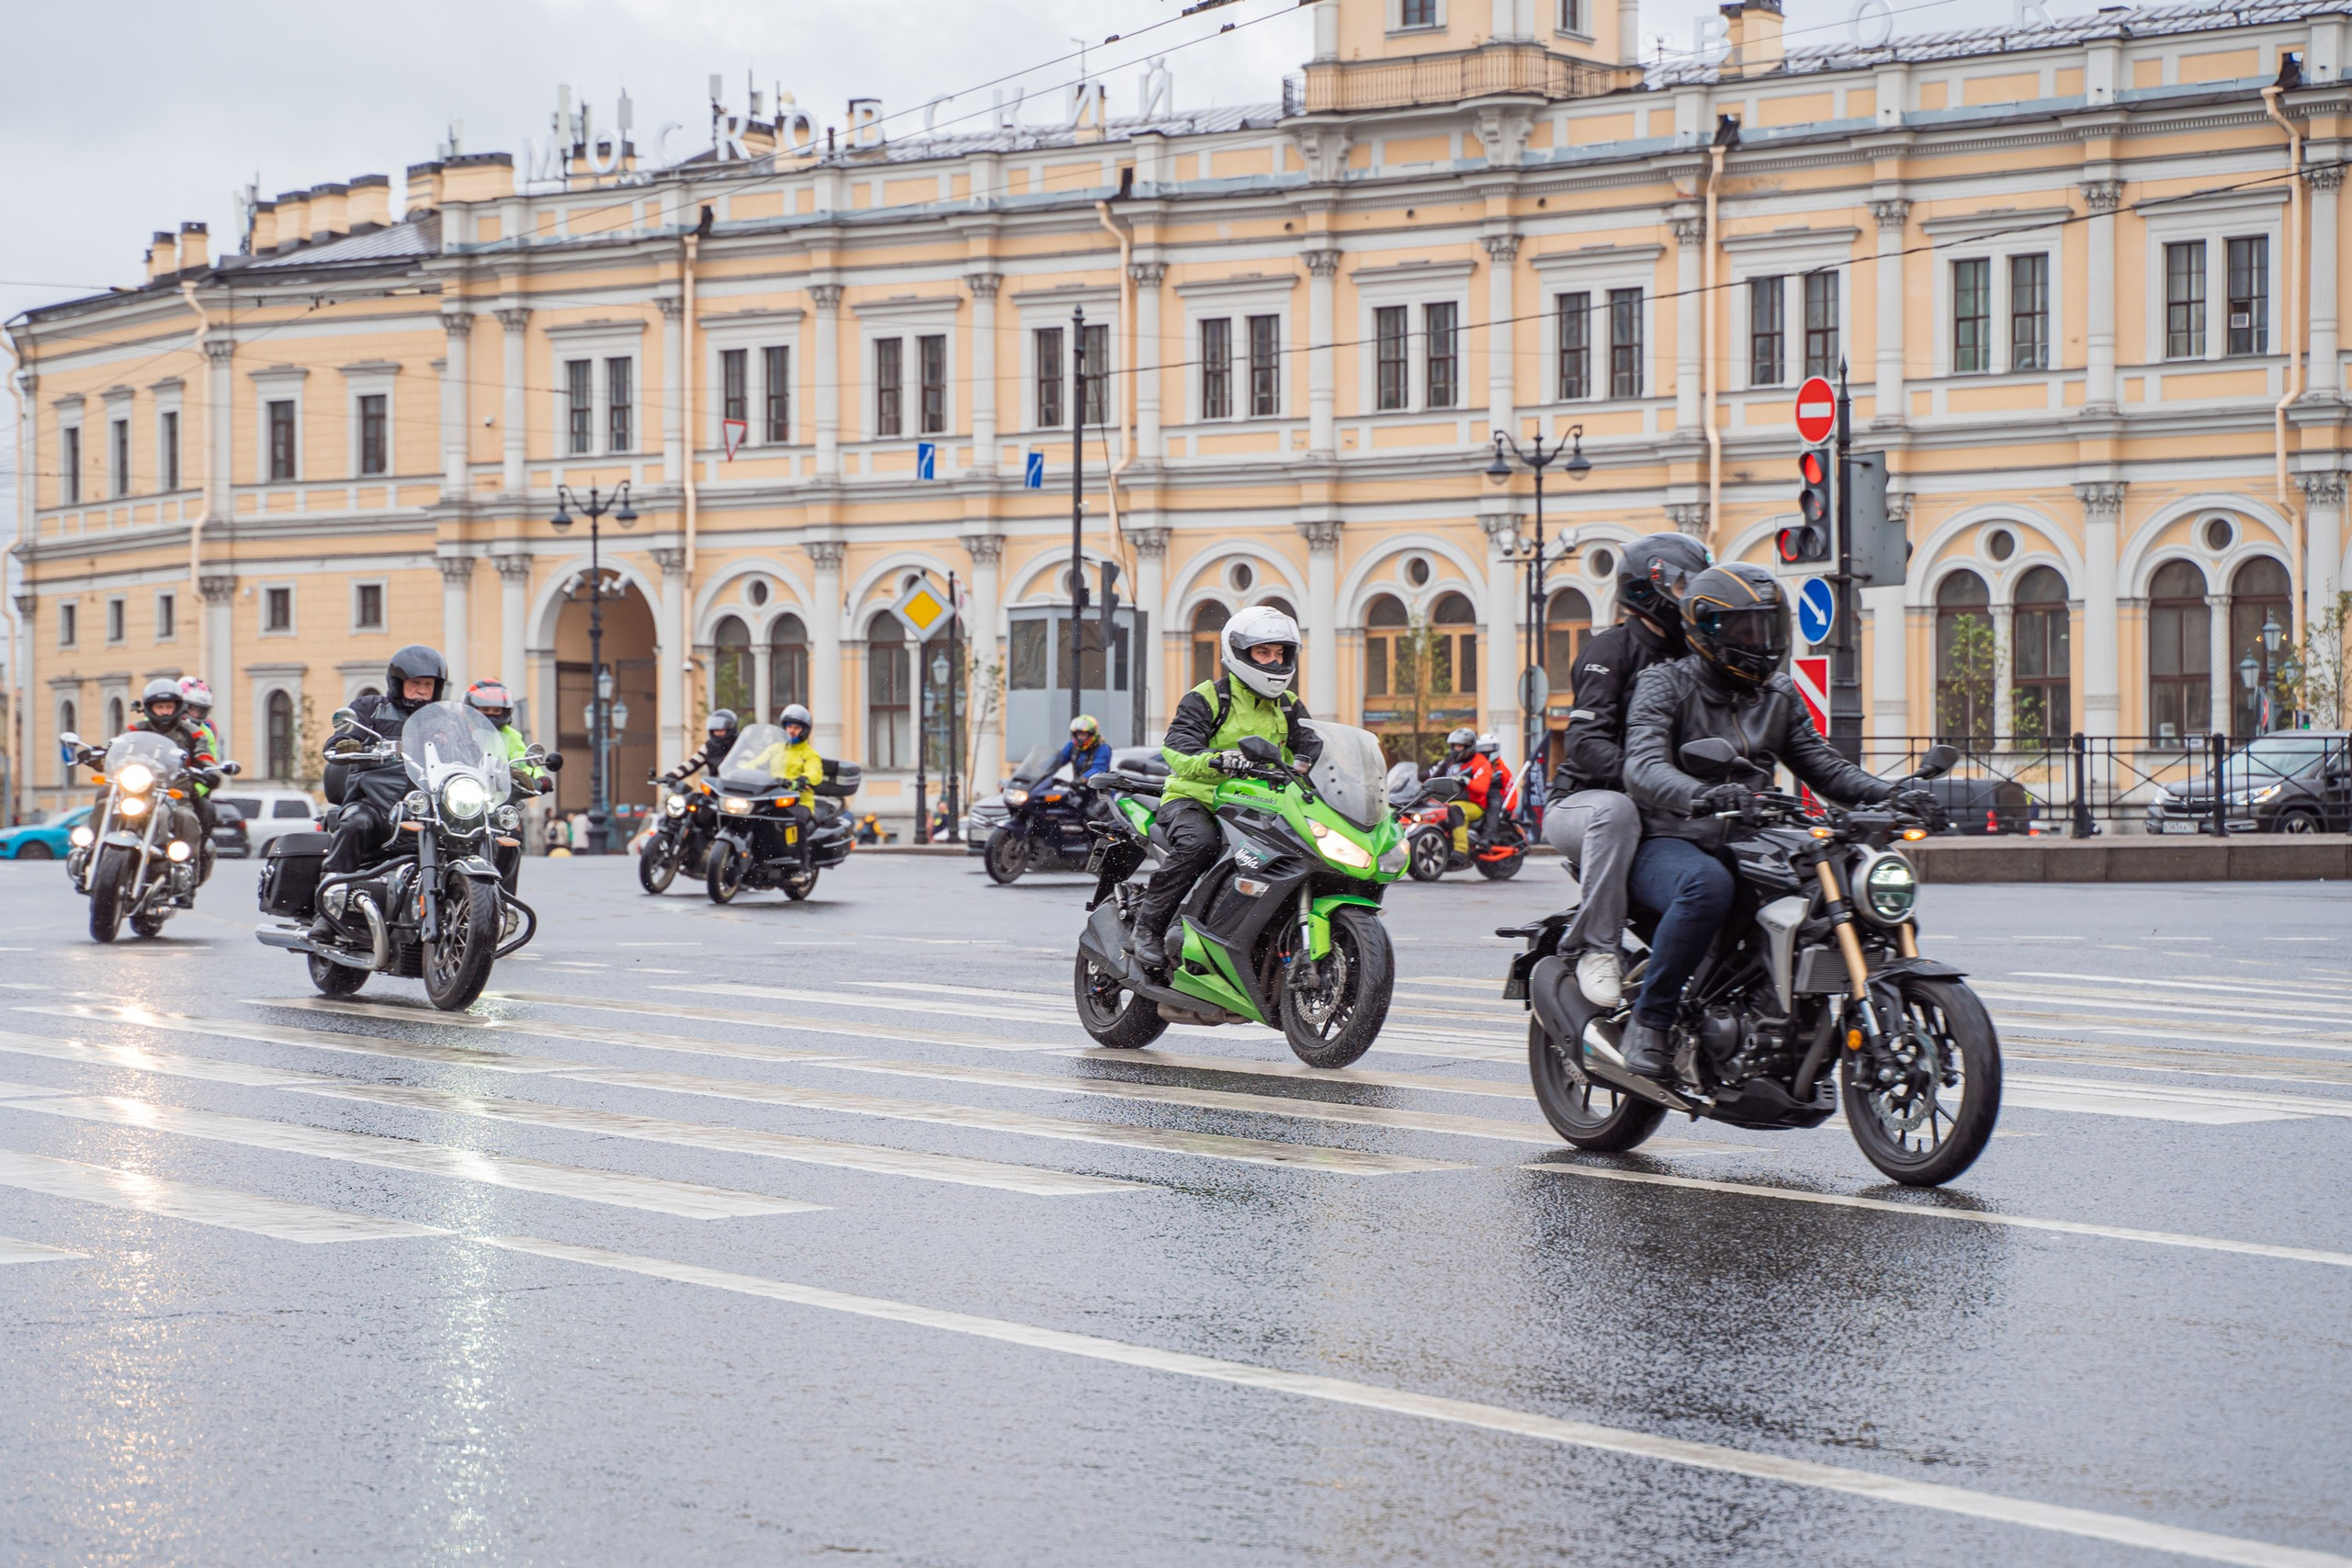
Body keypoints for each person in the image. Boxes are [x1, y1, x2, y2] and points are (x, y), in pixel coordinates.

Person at [1619, 564, 1934, 1080]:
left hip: (1752, 836)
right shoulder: (1665, 684)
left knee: (1842, 877)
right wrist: (1702, 795)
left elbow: (1823, 765)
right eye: (1746, 630)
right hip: (1670, 838)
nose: (1762, 643)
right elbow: (1644, 767)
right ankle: (1649, 1022)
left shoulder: (1778, 694)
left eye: (1769, 629)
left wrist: (1896, 793)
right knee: (1706, 886)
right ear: (1707, 630)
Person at [1542, 531, 1712, 1007]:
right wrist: (1649, 776)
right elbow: (1584, 744)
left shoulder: (1691, 657)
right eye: (1682, 587)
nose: (1690, 597)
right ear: (1646, 588)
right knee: (1617, 812)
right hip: (1584, 803)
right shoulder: (1609, 651)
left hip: (1660, 809)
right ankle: (1597, 946)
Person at [1130, 605, 1321, 974]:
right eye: (1263, 653)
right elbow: (1178, 746)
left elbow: (1313, 746)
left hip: (1260, 805)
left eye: (1279, 653)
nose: (1273, 660)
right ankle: (1147, 930)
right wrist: (1215, 759)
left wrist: (1317, 769)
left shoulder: (1289, 705)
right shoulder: (1209, 697)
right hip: (1196, 798)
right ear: (1240, 653)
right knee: (1200, 844)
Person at [321, 645, 448, 886]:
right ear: (398, 683)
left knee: (494, 833)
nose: (422, 690)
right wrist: (346, 745)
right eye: (415, 683)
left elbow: (469, 750)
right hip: (378, 805)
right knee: (355, 822)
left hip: (434, 810)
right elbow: (340, 740)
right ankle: (332, 894)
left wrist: (501, 769)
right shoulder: (371, 708)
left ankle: (493, 904)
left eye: (428, 685)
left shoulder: (444, 719)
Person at [465, 680, 558, 892]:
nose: (490, 714)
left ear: (505, 711)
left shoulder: (511, 736)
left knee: (511, 837)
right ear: (471, 710)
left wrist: (539, 778)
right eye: (484, 709)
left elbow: (524, 760)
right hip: (462, 800)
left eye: (496, 710)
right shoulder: (458, 732)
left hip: (497, 801)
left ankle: (506, 897)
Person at [124, 677, 217, 874]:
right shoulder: (136, 729)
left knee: (186, 817)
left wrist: (209, 771)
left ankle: (188, 869)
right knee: (104, 797)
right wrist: (97, 756)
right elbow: (117, 746)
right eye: (159, 707)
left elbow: (205, 755)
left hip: (175, 790)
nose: (165, 711)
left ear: (178, 707)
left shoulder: (193, 732)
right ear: (150, 707)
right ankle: (92, 849)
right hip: (137, 788)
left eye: (169, 706)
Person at [745, 703, 825, 863]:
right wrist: (740, 771)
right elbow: (756, 763)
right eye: (789, 727)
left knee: (796, 822)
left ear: (805, 730)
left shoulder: (809, 753)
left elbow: (815, 772)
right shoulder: (775, 748)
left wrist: (803, 779)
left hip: (798, 802)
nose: (792, 731)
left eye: (796, 728)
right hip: (772, 798)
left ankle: (800, 865)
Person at [1437, 728, 1492, 857]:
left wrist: (1466, 781)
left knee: (1456, 810)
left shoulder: (1481, 762)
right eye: (1454, 746)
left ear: (1469, 747)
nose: (1456, 749)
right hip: (1447, 802)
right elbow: (1433, 775)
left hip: (1474, 804)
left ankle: (1461, 850)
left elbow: (1482, 787)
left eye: (1459, 746)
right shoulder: (1450, 761)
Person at [664, 709, 742, 785]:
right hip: (716, 788)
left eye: (721, 730)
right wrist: (670, 776)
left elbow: (746, 766)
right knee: (695, 798)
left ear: (730, 729)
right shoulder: (709, 746)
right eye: (715, 730)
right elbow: (691, 764)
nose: (717, 733)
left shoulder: (740, 745)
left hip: (738, 789)